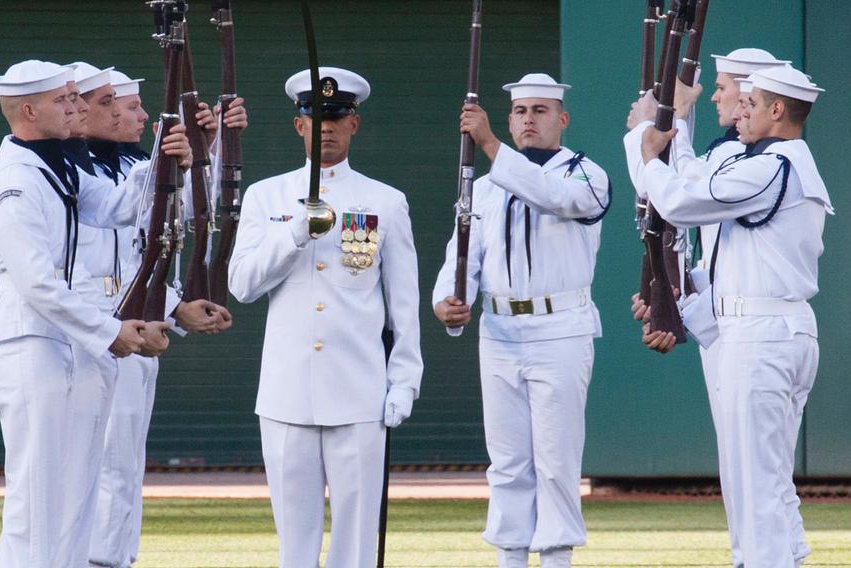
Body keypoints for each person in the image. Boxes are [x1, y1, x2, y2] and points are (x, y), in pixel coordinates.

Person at [227, 66, 422, 568]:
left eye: (337, 118)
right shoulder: (266, 197)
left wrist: (404, 380)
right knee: (294, 539)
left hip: (358, 390)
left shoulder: (385, 201)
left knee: (357, 540)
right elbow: (242, 285)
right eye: (316, 118)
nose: (326, 128)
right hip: (287, 391)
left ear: (354, 124)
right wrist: (293, 232)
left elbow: (404, 306)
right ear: (299, 126)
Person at [638, 64, 830, 568]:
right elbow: (740, 264)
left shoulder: (772, 164)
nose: (740, 109)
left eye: (752, 102)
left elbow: (681, 200)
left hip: (762, 336)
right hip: (771, 328)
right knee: (765, 482)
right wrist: (675, 297)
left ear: (777, 109)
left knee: (755, 486)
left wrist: (645, 147)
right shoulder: (776, 162)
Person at [0, 59, 165, 568]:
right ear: (30, 110)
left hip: (66, 343)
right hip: (30, 342)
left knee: (78, 492)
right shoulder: (15, 182)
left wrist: (179, 152)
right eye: (65, 100)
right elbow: (37, 282)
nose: (78, 106)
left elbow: (123, 206)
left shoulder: (53, 165)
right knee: (40, 499)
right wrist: (110, 332)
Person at [432, 73, 610, 568]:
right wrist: (447, 300)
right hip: (499, 330)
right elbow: (462, 255)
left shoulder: (586, 175)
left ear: (562, 118)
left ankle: (555, 559)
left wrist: (487, 143)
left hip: (561, 328)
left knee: (555, 459)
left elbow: (554, 197)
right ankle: (510, 556)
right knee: (508, 459)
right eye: (519, 112)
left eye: (539, 110)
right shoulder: (486, 187)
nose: (528, 120)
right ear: (510, 119)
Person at [86, 67, 243, 568]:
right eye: (131, 107)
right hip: (94, 337)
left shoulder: (127, 168)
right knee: (97, 467)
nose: (144, 115)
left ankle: (115, 559)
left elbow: (171, 227)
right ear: (99, 109)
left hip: (137, 332)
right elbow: (90, 273)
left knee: (125, 466)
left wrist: (209, 149)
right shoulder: (77, 172)